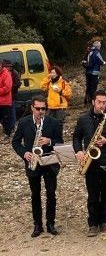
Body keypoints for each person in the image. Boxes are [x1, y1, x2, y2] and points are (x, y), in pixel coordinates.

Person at [11, 95, 63, 237]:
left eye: (44, 109)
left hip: (49, 162)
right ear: (32, 108)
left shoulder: (53, 122)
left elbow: (60, 142)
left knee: (51, 193)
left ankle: (50, 223)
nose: (41, 111)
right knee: (35, 194)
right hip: (32, 162)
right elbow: (15, 142)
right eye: (38, 108)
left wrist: (49, 141)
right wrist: (24, 153)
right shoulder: (23, 122)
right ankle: (37, 225)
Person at [73, 90, 106, 237]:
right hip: (90, 161)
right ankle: (93, 224)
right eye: (99, 102)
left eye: (104, 102)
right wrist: (79, 151)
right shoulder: (83, 120)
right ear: (93, 102)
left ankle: (104, 221)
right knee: (93, 193)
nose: (102, 105)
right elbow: (76, 137)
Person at [40, 66, 72, 134]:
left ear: (58, 73)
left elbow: (69, 94)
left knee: (59, 123)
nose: (52, 74)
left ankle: (58, 138)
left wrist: (60, 91)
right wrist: (48, 78)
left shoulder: (63, 82)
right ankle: (50, 137)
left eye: (53, 73)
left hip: (60, 106)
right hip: (50, 106)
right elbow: (42, 87)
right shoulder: (49, 81)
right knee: (48, 121)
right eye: (51, 72)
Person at [82, 41, 106, 106]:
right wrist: (104, 62)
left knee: (88, 87)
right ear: (98, 46)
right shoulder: (96, 52)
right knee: (93, 87)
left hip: (87, 72)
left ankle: (86, 102)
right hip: (94, 73)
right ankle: (92, 102)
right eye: (100, 45)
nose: (100, 46)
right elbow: (101, 61)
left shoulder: (89, 51)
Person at [2, 60, 21, 132]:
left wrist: (10, 86)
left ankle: (12, 127)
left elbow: (18, 84)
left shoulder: (14, 73)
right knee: (6, 113)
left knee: (12, 112)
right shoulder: (4, 73)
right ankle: (7, 127)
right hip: (6, 97)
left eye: (9, 66)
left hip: (12, 96)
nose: (8, 68)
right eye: (6, 66)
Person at [0, 60, 13, 142]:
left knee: (6, 119)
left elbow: (7, 88)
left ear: (1, 65)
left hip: (5, 102)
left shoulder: (6, 74)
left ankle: (7, 135)